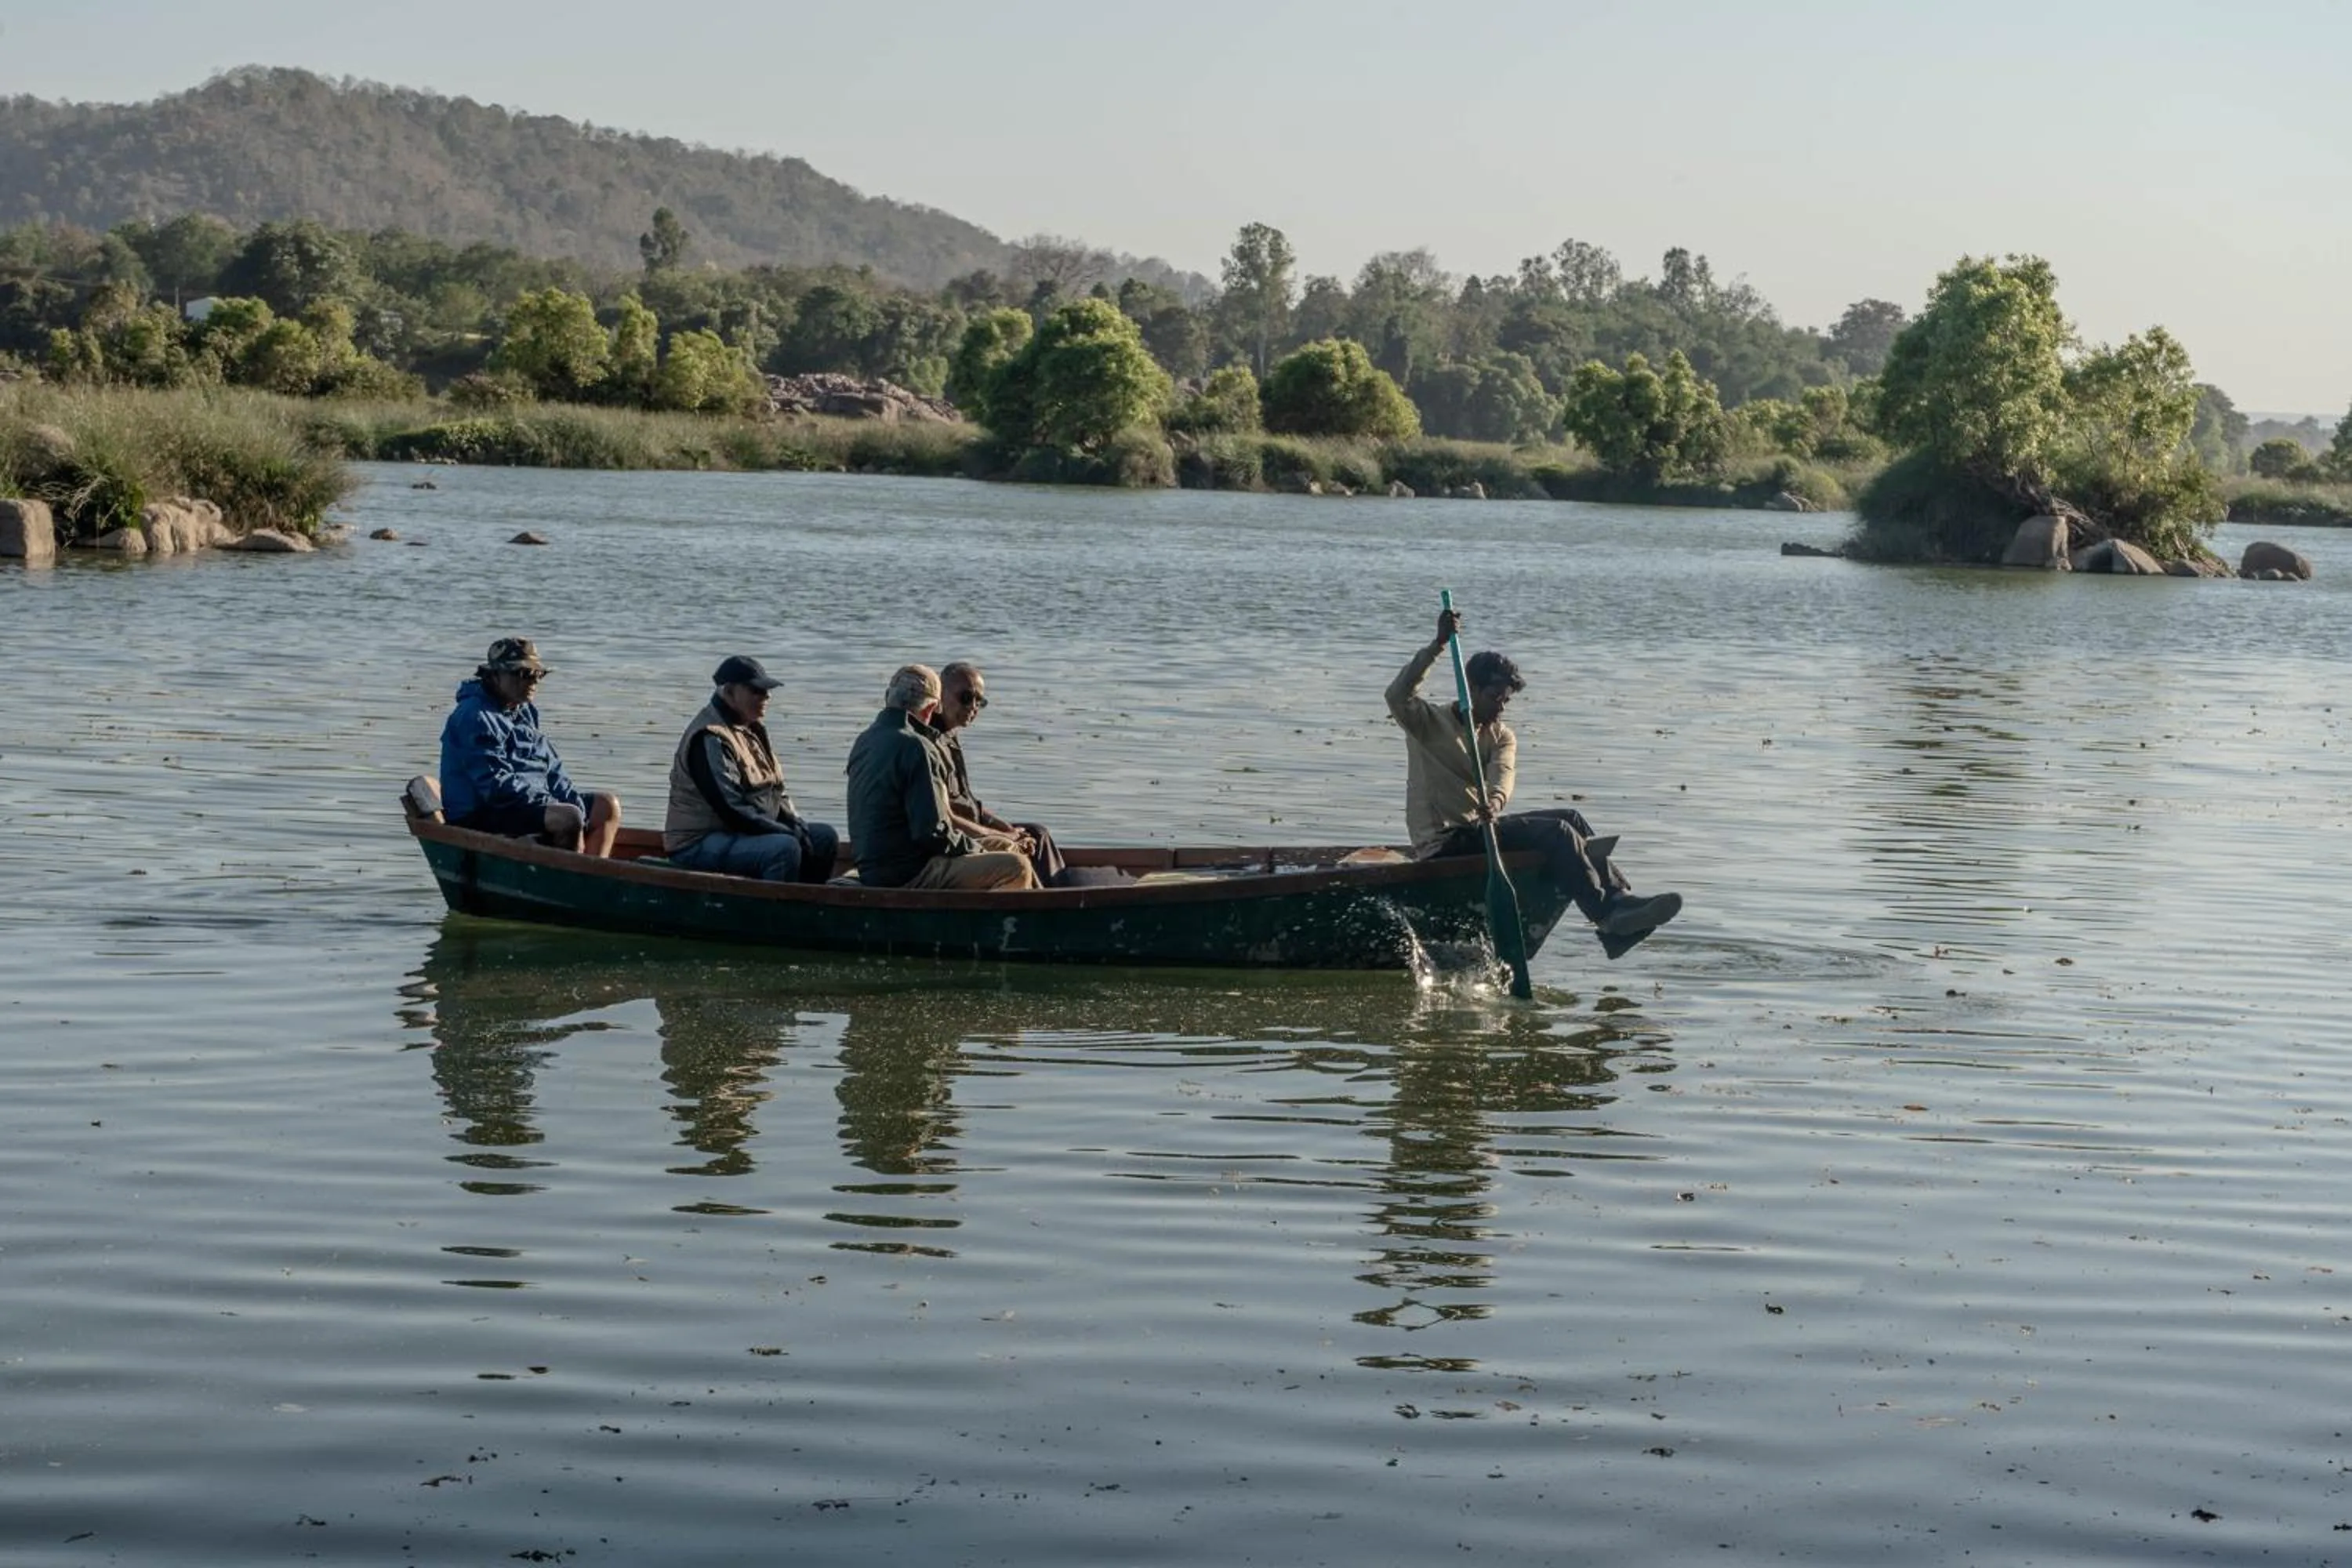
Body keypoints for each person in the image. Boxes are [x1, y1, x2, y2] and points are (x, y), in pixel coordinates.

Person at [1386, 608, 1682, 959]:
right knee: (1557, 833)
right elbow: (1397, 694)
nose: (1501, 707)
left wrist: (1494, 802)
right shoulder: (1428, 722)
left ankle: (1619, 903)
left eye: (1506, 701)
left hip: (1480, 827)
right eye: (1495, 698)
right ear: (1472, 689)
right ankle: (1607, 916)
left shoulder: (1501, 736)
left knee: (1571, 819)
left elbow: (1503, 774)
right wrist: (1437, 645)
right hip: (1444, 840)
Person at [844, 664, 1040, 891]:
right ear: (931, 709)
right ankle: (995, 924)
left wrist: (993, 843)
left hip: (875, 866)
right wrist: (978, 851)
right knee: (1016, 866)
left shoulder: (865, 740)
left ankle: (1044, 905)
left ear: (889, 697)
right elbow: (933, 833)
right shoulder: (917, 747)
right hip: (907, 872)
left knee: (1003, 845)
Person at [662, 655, 839, 883]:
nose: (766, 696)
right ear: (728, 693)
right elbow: (731, 808)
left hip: (742, 834)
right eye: (756, 691)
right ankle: (773, 913)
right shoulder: (709, 737)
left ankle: (811, 908)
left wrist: (796, 824)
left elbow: (778, 791)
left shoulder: (753, 729)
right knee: (784, 848)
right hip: (698, 842)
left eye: (767, 691)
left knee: (824, 838)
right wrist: (783, 832)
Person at [438, 637, 621, 855]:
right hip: (484, 812)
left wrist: (569, 804)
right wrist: (553, 807)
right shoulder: (475, 716)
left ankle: (593, 875)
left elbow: (551, 769)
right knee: (568, 818)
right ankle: (569, 879)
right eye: (522, 674)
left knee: (606, 806)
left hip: (526, 804)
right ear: (494, 676)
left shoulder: (524, 711)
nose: (532, 682)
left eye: (538, 674)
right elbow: (496, 787)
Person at [932, 660, 1069, 885]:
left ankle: (1061, 891)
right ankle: (1046, 900)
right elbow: (949, 817)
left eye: (980, 701)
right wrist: (1005, 837)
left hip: (974, 825)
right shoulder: (929, 745)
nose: (973, 706)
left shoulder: (951, 738)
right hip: (958, 838)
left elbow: (970, 804)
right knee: (1015, 847)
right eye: (966, 697)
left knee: (1036, 833)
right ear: (940, 694)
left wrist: (1008, 828)